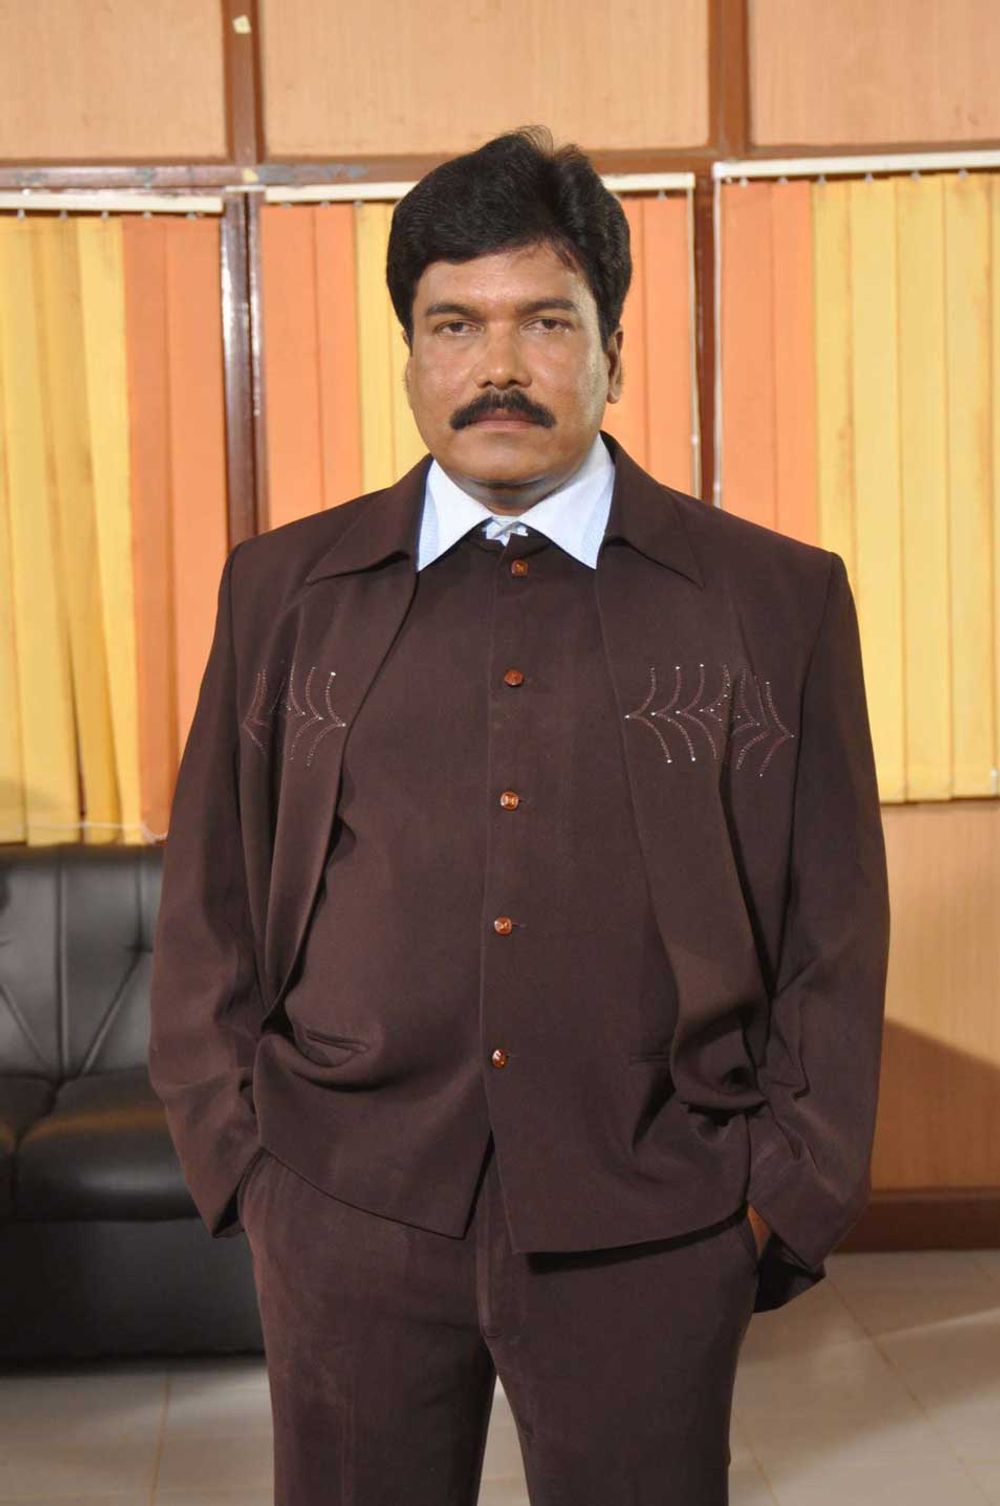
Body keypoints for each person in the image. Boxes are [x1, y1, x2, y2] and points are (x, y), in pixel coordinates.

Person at [148, 125, 890, 1505]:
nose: (500, 365)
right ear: (410, 353)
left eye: (546, 321)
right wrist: (244, 1164)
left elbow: (832, 930)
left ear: (614, 349)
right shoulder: (285, 593)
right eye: (456, 324)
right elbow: (211, 901)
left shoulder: (773, 601)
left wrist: (783, 1193)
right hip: (343, 1208)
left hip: (658, 1217)